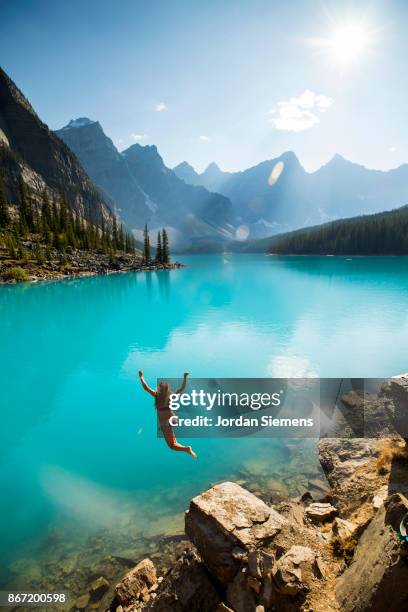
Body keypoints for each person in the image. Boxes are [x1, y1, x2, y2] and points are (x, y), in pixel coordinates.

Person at [138, 370, 197, 458]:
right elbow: (181, 389)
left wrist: (141, 377)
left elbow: (146, 388)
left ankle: (187, 448)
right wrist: (185, 377)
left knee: (172, 446)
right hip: (172, 419)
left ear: (159, 389)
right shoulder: (170, 397)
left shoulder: (156, 395)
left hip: (168, 422)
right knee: (173, 443)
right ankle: (186, 448)